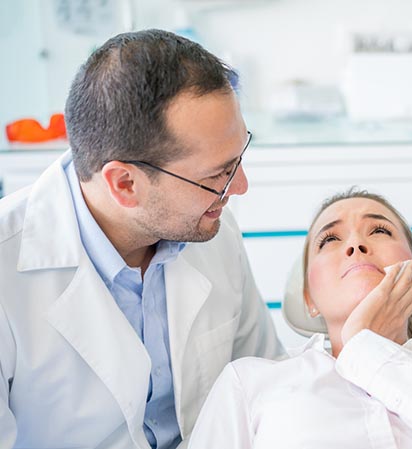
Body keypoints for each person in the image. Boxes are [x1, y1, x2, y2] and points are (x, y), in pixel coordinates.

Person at [0, 30, 285, 449]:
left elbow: (268, 389)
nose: (239, 186)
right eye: (217, 175)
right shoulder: (8, 270)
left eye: (237, 158)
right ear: (125, 183)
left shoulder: (211, 231)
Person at [188, 189, 412, 449]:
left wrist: (363, 349)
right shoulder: (248, 383)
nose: (355, 244)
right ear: (309, 299)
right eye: (330, 239)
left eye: (380, 231)